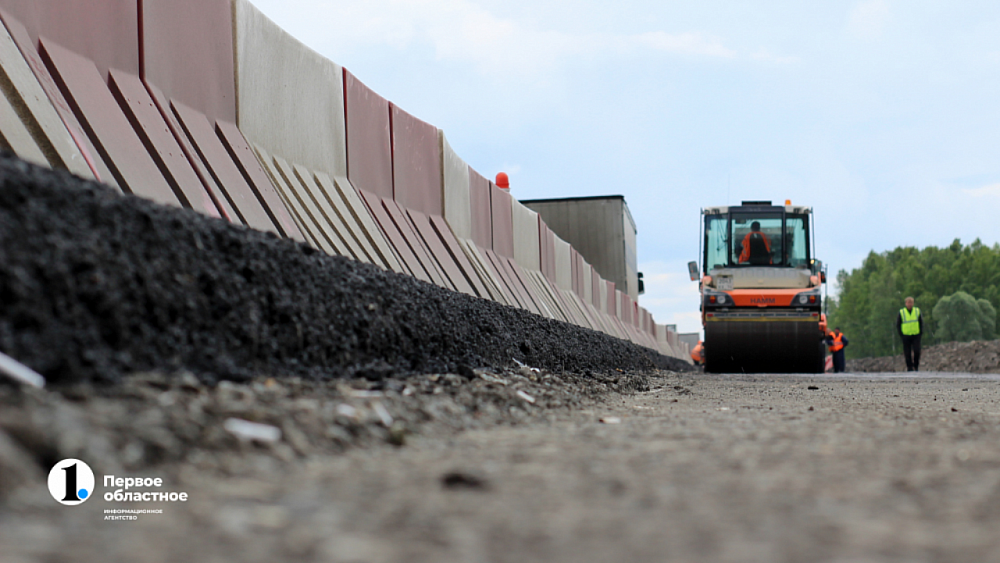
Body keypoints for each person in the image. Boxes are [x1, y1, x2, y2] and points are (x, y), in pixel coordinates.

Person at [896, 296, 923, 372]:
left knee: (917, 350)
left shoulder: (917, 311)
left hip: (916, 334)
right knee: (907, 352)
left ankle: (916, 365)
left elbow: (921, 322)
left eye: (911, 302)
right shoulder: (902, 312)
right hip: (906, 335)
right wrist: (901, 334)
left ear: (913, 303)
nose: (909, 304)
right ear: (905, 303)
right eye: (908, 303)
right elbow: (898, 324)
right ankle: (909, 367)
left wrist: (921, 333)